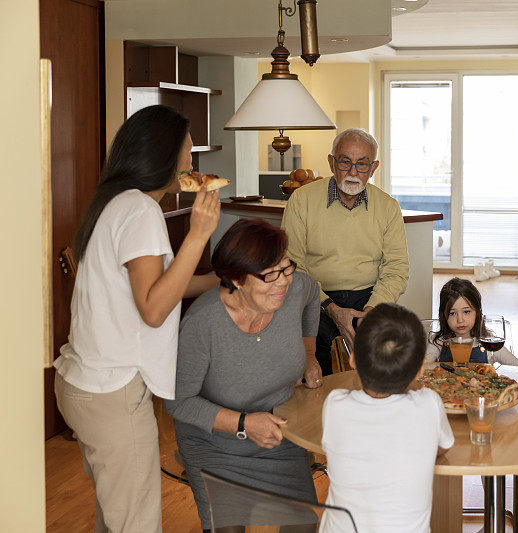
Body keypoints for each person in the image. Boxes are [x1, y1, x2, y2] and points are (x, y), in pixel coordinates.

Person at [53, 104, 221, 532]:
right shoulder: (141, 211)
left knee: (115, 518)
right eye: (186, 150)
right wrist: (200, 233)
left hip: (84, 383)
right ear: (164, 156)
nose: (190, 162)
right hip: (113, 392)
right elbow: (152, 308)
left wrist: (217, 281)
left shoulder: (114, 203)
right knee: (136, 524)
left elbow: (158, 285)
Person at [165, 218, 323, 533]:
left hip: (278, 440)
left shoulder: (293, 291)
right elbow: (178, 403)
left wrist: (307, 354)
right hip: (216, 447)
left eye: (287, 267)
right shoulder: (203, 323)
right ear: (236, 279)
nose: (283, 282)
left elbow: (313, 295)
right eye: (269, 275)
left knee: (304, 525)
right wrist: (244, 424)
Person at [281, 128, 409, 374]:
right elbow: (292, 265)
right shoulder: (301, 200)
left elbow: (396, 269)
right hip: (316, 299)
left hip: (370, 298)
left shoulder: (388, 207)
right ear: (331, 162)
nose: (353, 172)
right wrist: (330, 308)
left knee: (383, 367)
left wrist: (371, 311)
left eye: (362, 164)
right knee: (319, 369)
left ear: (373, 168)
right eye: (345, 162)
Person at [320, 303, 454, 533]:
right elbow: (442, 447)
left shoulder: (335, 404)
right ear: (422, 369)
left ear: (353, 361)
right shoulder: (429, 403)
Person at [426, 277, 518, 366]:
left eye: (466, 312)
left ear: (477, 312)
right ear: (443, 315)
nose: (460, 320)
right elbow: (422, 367)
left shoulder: (488, 341)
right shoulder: (437, 342)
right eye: (452, 313)